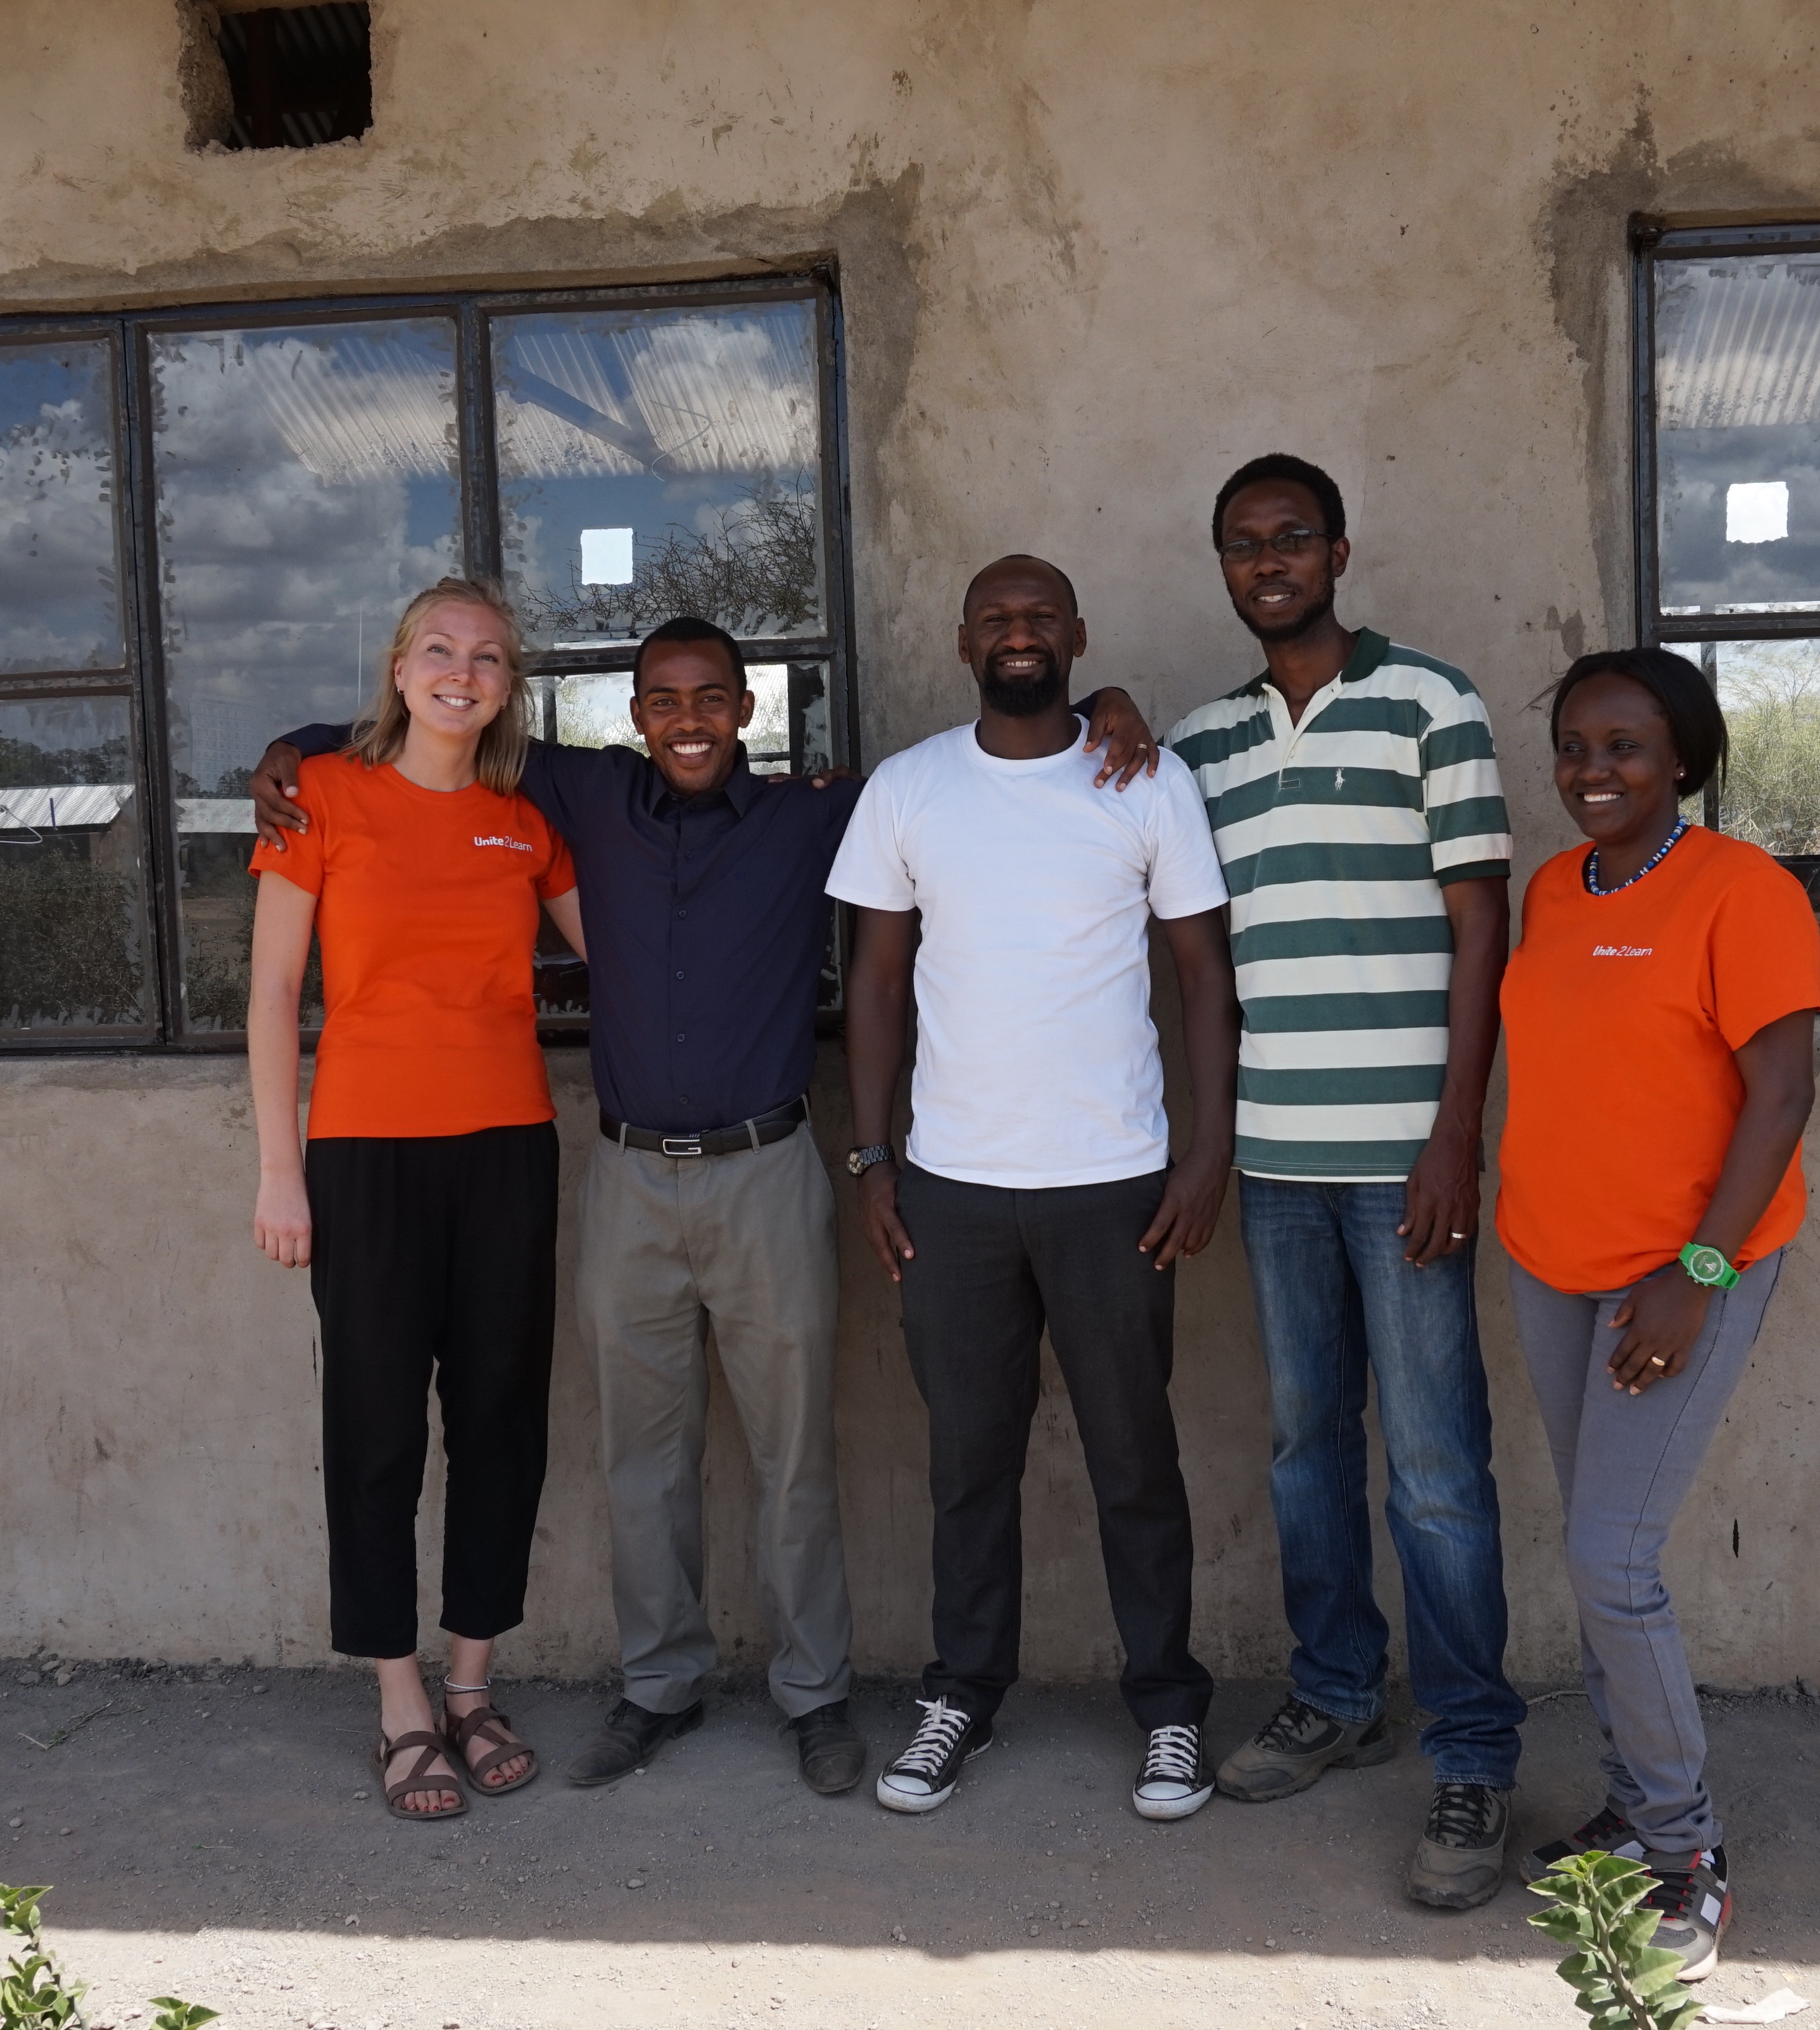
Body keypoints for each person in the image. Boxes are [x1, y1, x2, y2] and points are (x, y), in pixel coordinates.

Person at [252, 619, 1160, 1798]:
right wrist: (292, 743)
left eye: (712, 698)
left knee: (794, 1453)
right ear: (634, 715)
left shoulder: (816, 812)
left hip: (766, 1169)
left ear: (747, 708)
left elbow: (980, 769)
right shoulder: (580, 793)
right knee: (643, 1456)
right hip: (628, 1179)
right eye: (665, 700)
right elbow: (439, 718)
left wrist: (1098, 712)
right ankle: (658, 1688)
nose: (689, 720)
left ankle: (815, 1696)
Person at [1159, 453, 1528, 1910]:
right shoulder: (1201, 745)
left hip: (1402, 1162)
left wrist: (1455, 1131)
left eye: (1291, 537)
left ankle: (1473, 1752)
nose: (1269, 562)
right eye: (1243, 544)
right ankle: (1336, 1689)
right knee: (1306, 1447)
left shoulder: (1431, 704)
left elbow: (1482, 927)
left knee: (1434, 1469)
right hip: (1274, 1161)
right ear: (1224, 566)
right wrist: (1114, 714)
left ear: (1337, 551)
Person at [828, 555, 1239, 1821]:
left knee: (1135, 1461)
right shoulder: (909, 788)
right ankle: (962, 1693)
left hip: (1113, 1187)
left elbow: (1203, 977)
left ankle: (1168, 1708)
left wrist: (1207, 1151)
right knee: (968, 1465)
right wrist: (873, 1158)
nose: (1019, 633)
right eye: (997, 618)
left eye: (1040, 616)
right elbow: (875, 984)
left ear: (1077, 633)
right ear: (964, 642)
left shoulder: (1146, 780)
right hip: (950, 1192)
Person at [1496, 646, 1820, 1981]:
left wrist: (1699, 1272)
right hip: (1552, 1263)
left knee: (1611, 1561)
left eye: (1624, 746)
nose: (1593, 770)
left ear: (1681, 759)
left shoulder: (1744, 892)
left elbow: (1782, 1096)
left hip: (1679, 1276)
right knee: (1598, 1557)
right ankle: (1634, 1811)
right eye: (1575, 746)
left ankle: (1686, 1850)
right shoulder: (1553, 890)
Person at [246, 578, 582, 1822]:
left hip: (509, 1148)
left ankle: (472, 1684)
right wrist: (280, 1170)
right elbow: (272, 997)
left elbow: (631, 952)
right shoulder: (321, 797)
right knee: (376, 1425)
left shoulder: (525, 820)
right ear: (398, 669)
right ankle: (398, 1699)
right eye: (438, 649)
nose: (461, 672)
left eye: (487, 657)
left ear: (509, 685)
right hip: (365, 1154)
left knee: (500, 1421)